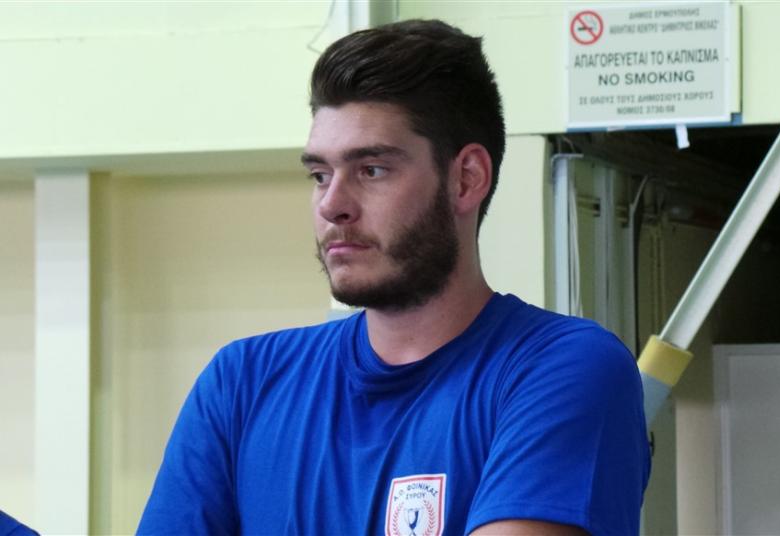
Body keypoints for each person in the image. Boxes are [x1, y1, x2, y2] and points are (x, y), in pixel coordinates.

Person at [138, 19, 649, 535]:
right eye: (320, 175)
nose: (332, 204)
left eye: (372, 170)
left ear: (466, 179)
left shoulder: (561, 368)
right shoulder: (243, 383)